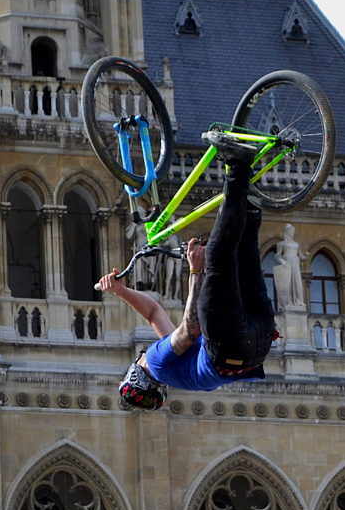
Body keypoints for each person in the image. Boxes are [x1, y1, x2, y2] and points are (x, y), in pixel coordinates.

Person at [98, 132, 277, 410]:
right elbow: (190, 330)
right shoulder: (156, 363)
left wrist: (121, 291)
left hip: (258, 342)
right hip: (226, 344)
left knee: (246, 247)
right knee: (218, 255)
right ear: (135, 372)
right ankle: (238, 163)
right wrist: (195, 271)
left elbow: (154, 312)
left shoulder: (174, 369)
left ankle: (251, 181)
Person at [273, 223, 307, 309]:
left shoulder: (297, 244)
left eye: (293, 231)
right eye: (291, 231)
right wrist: (282, 262)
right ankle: (288, 301)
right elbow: (277, 255)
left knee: (297, 282)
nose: (292, 233)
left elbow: (301, 256)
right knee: (288, 282)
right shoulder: (281, 244)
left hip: (295, 262)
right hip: (287, 262)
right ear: (287, 232)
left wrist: (305, 256)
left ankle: (299, 301)